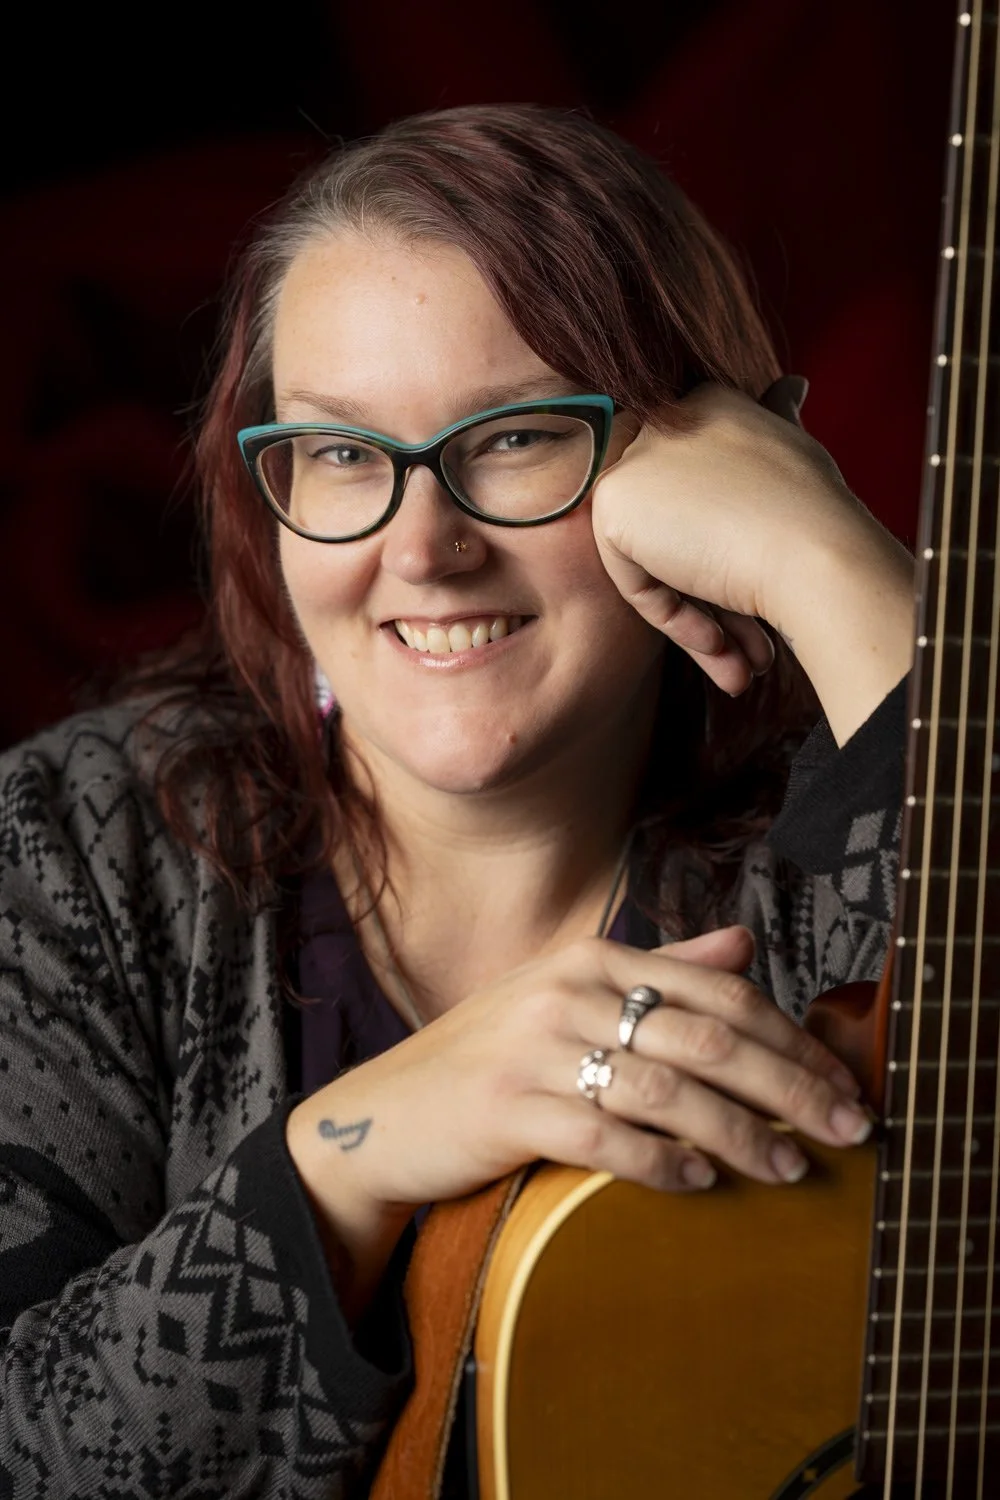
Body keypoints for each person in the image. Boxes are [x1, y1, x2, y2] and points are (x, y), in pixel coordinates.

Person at [0, 104, 913, 1498]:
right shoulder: (70, 842)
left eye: (517, 438)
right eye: (342, 454)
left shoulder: (828, 848)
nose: (423, 548)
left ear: (707, 468)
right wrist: (344, 1165)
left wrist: (834, 565)